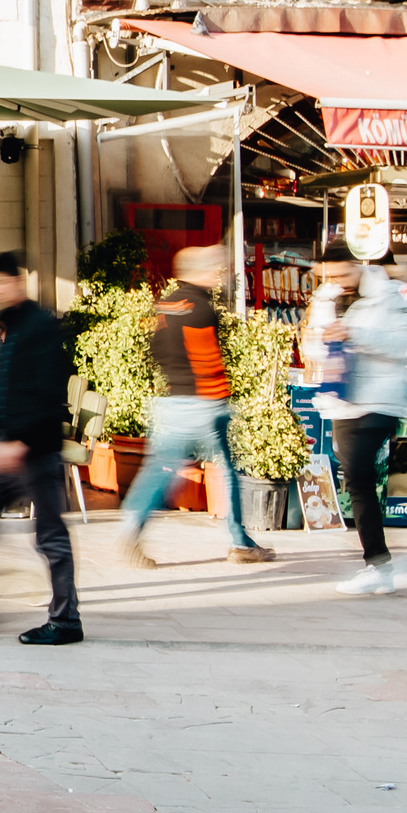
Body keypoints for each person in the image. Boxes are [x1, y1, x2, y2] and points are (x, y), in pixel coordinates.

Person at [115, 243, 277, 569]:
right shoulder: (202, 308)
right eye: (213, 270)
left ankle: (132, 526)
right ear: (198, 272)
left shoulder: (162, 306)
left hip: (169, 402)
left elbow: (155, 352)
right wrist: (221, 402)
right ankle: (239, 542)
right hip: (203, 404)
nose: (217, 277)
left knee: (160, 471)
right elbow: (207, 360)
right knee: (228, 472)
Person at [0, 252, 81, 646]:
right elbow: (0, 387)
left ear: (14, 283)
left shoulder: (39, 326)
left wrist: (19, 440)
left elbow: (47, 392)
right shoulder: (10, 325)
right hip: (4, 446)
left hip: (35, 450)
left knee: (50, 534)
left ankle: (66, 620)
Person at [306, 242, 407, 595]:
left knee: (358, 471)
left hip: (381, 399)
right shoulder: (326, 297)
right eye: (330, 275)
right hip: (343, 399)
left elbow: (404, 346)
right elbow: (313, 344)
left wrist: (356, 335)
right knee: (357, 480)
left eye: (343, 273)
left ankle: (380, 563)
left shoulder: (389, 295)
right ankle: (380, 565)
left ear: (358, 266)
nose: (338, 281)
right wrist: (322, 342)